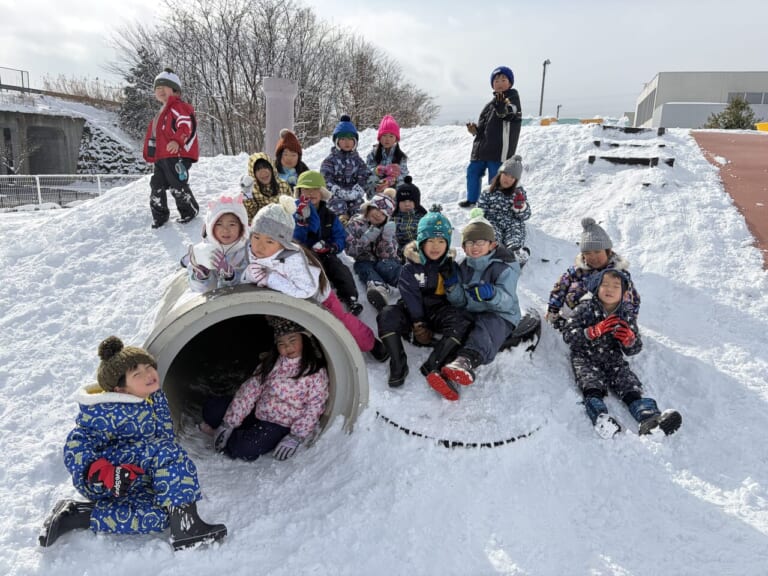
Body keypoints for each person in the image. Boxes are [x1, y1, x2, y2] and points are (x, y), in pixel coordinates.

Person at [39, 337, 226, 550]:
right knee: (167, 452)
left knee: (160, 517)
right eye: (137, 374)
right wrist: (102, 472)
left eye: (149, 367)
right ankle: (187, 527)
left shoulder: (155, 398)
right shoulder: (107, 411)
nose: (148, 375)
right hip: (107, 477)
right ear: (120, 389)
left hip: (137, 478)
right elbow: (76, 444)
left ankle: (77, 515)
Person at [242, 195, 388, 361]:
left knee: (340, 323)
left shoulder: (292, 258)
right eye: (256, 237)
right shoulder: (251, 249)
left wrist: (270, 279)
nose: (260, 245)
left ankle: (371, 344)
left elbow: (306, 289)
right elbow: (250, 275)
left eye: (269, 241)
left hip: (319, 297)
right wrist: (250, 275)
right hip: (291, 300)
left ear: (283, 243)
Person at [561, 269, 682, 438]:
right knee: (591, 384)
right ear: (596, 288)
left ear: (624, 293)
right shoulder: (585, 308)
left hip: (612, 358)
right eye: (605, 285)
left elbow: (635, 348)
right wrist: (592, 332)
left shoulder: (625, 314)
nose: (610, 289)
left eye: (616, 286)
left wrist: (629, 340)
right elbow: (568, 333)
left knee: (627, 383)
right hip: (585, 357)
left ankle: (650, 420)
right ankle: (601, 418)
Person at [200, 316, 329, 461]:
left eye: (293, 340)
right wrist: (228, 423)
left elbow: (315, 407)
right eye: (281, 343)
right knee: (212, 409)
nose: (287, 347)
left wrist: (296, 436)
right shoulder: (271, 364)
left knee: (242, 449)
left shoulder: (315, 371)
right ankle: (229, 431)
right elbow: (248, 392)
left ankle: (231, 438)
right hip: (258, 413)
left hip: (279, 426)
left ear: (304, 340)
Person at [428, 208, 522, 400]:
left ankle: (466, 361)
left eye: (480, 242)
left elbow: (507, 301)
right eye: (469, 242)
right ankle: (448, 373)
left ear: (492, 244)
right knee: (459, 326)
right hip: (473, 311)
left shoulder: (505, 266)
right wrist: (452, 285)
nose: (474, 247)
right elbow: (461, 301)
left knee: (486, 326)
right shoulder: (465, 266)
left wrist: (492, 294)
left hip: (501, 315)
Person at [377, 205, 473, 388]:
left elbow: (457, 299)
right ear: (421, 241)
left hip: (439, 311)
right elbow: (410, 296)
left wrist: (450, 280)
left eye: (441, 241)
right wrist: (419, 323)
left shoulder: (451, 266)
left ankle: (433, 364)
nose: (436, 247)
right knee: (387, 314)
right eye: (431, 241)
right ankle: (398, 363)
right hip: (413, 312)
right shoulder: (411, 267)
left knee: (462, 321)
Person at [546, 217, 640, 329]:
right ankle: (571, 325)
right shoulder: (577, 271)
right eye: (588, 253)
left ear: (608, 251)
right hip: (575, 316)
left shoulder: (619, 274)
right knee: (578, 287)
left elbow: (632, 299)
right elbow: (559, 288)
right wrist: (553, 309)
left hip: (606, 321)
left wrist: (629, 321)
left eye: (597, 252)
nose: (593, 257)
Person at [291, 170, 364, 316]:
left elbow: (339, 236)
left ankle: (350, 297)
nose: (310, 194)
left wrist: (333, 247)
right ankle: (313, 301)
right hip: (302, 254)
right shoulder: (294, 212)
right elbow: (293, 238)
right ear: (299, 192)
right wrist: (301, 222)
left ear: (322, 192)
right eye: (306, 189)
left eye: (314, 190)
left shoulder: (329, 216)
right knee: (306, 273)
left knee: (338, 267)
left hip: (325, 253)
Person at [142, 68, 200, 228]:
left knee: (177, 182)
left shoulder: (178, 107)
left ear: (175, 90)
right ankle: (160, 216)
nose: (159, 91)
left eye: (163, 87)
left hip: (176, 154)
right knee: (156, 184)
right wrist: (151, 154)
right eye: (157, 88)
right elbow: (155, 136)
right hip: (161, 157)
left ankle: (189, 210)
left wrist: (177, 141)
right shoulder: (160, 113)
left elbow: (185, 126)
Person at [460, 66, 523, 208]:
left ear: (510, 83)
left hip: (499, 149)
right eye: (496, 81)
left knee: (495, 178)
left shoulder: (512, 98)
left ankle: (494, 204)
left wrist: (501, 107)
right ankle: (472, 200)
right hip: (481, 149)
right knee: (472, 172)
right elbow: (484, 128)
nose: (499, 83)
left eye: (503, 79)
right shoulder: (490, 104)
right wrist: (475, 130)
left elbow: (509, 113)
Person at [345, 188, 402, 312]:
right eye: (376, 209)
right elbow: (349, 250)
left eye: (383, 214)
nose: (378, 214)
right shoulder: (355, 223)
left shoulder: (387, 228)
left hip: (384, 260)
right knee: (364, 268)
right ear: (369, 208)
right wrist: (364, 240)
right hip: (364, 259)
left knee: (388, 266)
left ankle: (407, 282)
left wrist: (387, 239)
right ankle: (378, 289)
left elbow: (390, 254)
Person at [185, 193, 250, 293]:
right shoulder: (205, 251)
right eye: (219, 224)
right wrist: (201, 277)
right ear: (210, 227)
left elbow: (249, 284)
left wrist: (230, 277)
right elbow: (199, 290)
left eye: (232, 224)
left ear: (242, 227)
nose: (225, 230)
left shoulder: (247, 251)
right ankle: (185, 259)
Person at [477, 154, 531, 266]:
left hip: (512, 223)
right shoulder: (487, 192)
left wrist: (520, 208)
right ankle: (492, 253)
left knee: (515, 236)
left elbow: (526, 216)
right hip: (493, 222)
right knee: (491, 236)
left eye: (512, 177)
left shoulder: (518, 193)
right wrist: (478, 218)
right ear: (500, 174)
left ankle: (515, 254)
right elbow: (481, 210)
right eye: (506, 174)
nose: (508, 179)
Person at [320, 115, 371, 223]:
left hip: (353, 194)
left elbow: (364, 177)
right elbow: (325, 178)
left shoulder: (358, 161)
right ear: (337, 141)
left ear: (355, 142)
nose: (347, 142)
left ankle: (358, 227)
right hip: (336, 195)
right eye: (343, 139)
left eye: (350, 139)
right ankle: (340, 223)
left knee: (360, 207)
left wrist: (357, 191)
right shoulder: (330, 160)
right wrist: (337, 190)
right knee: (337, 205)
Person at [365, 115, 409, 198]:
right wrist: (376, 170)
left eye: (391, 136)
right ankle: (375, 204)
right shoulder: (372, 154)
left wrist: (392, 179)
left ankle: (396, 207)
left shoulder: (401, 156)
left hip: (393, 188)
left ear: (396, 139)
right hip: (378, 187)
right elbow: (366, 171)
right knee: (372, 179)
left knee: (403, 185)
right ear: (379, 137)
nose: (387, 139)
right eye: (384, 135)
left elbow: (404, 175)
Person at [240, 152, 293, 222]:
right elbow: (249, 215)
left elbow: (291, 207)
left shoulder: (283, 185)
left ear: (272, 168)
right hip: (260, 228)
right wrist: (247, 194)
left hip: (283, 225)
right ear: (253, 174)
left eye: (265, 167)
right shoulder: (251, 190)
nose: (263, 172)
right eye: (258, 169)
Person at [392, 176, 427, 259]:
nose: (407, 204)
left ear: (416, 203)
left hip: (418, 251)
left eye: (410, 201)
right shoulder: (393, 218)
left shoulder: (422, 218)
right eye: (403, 201)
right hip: (397, 253)